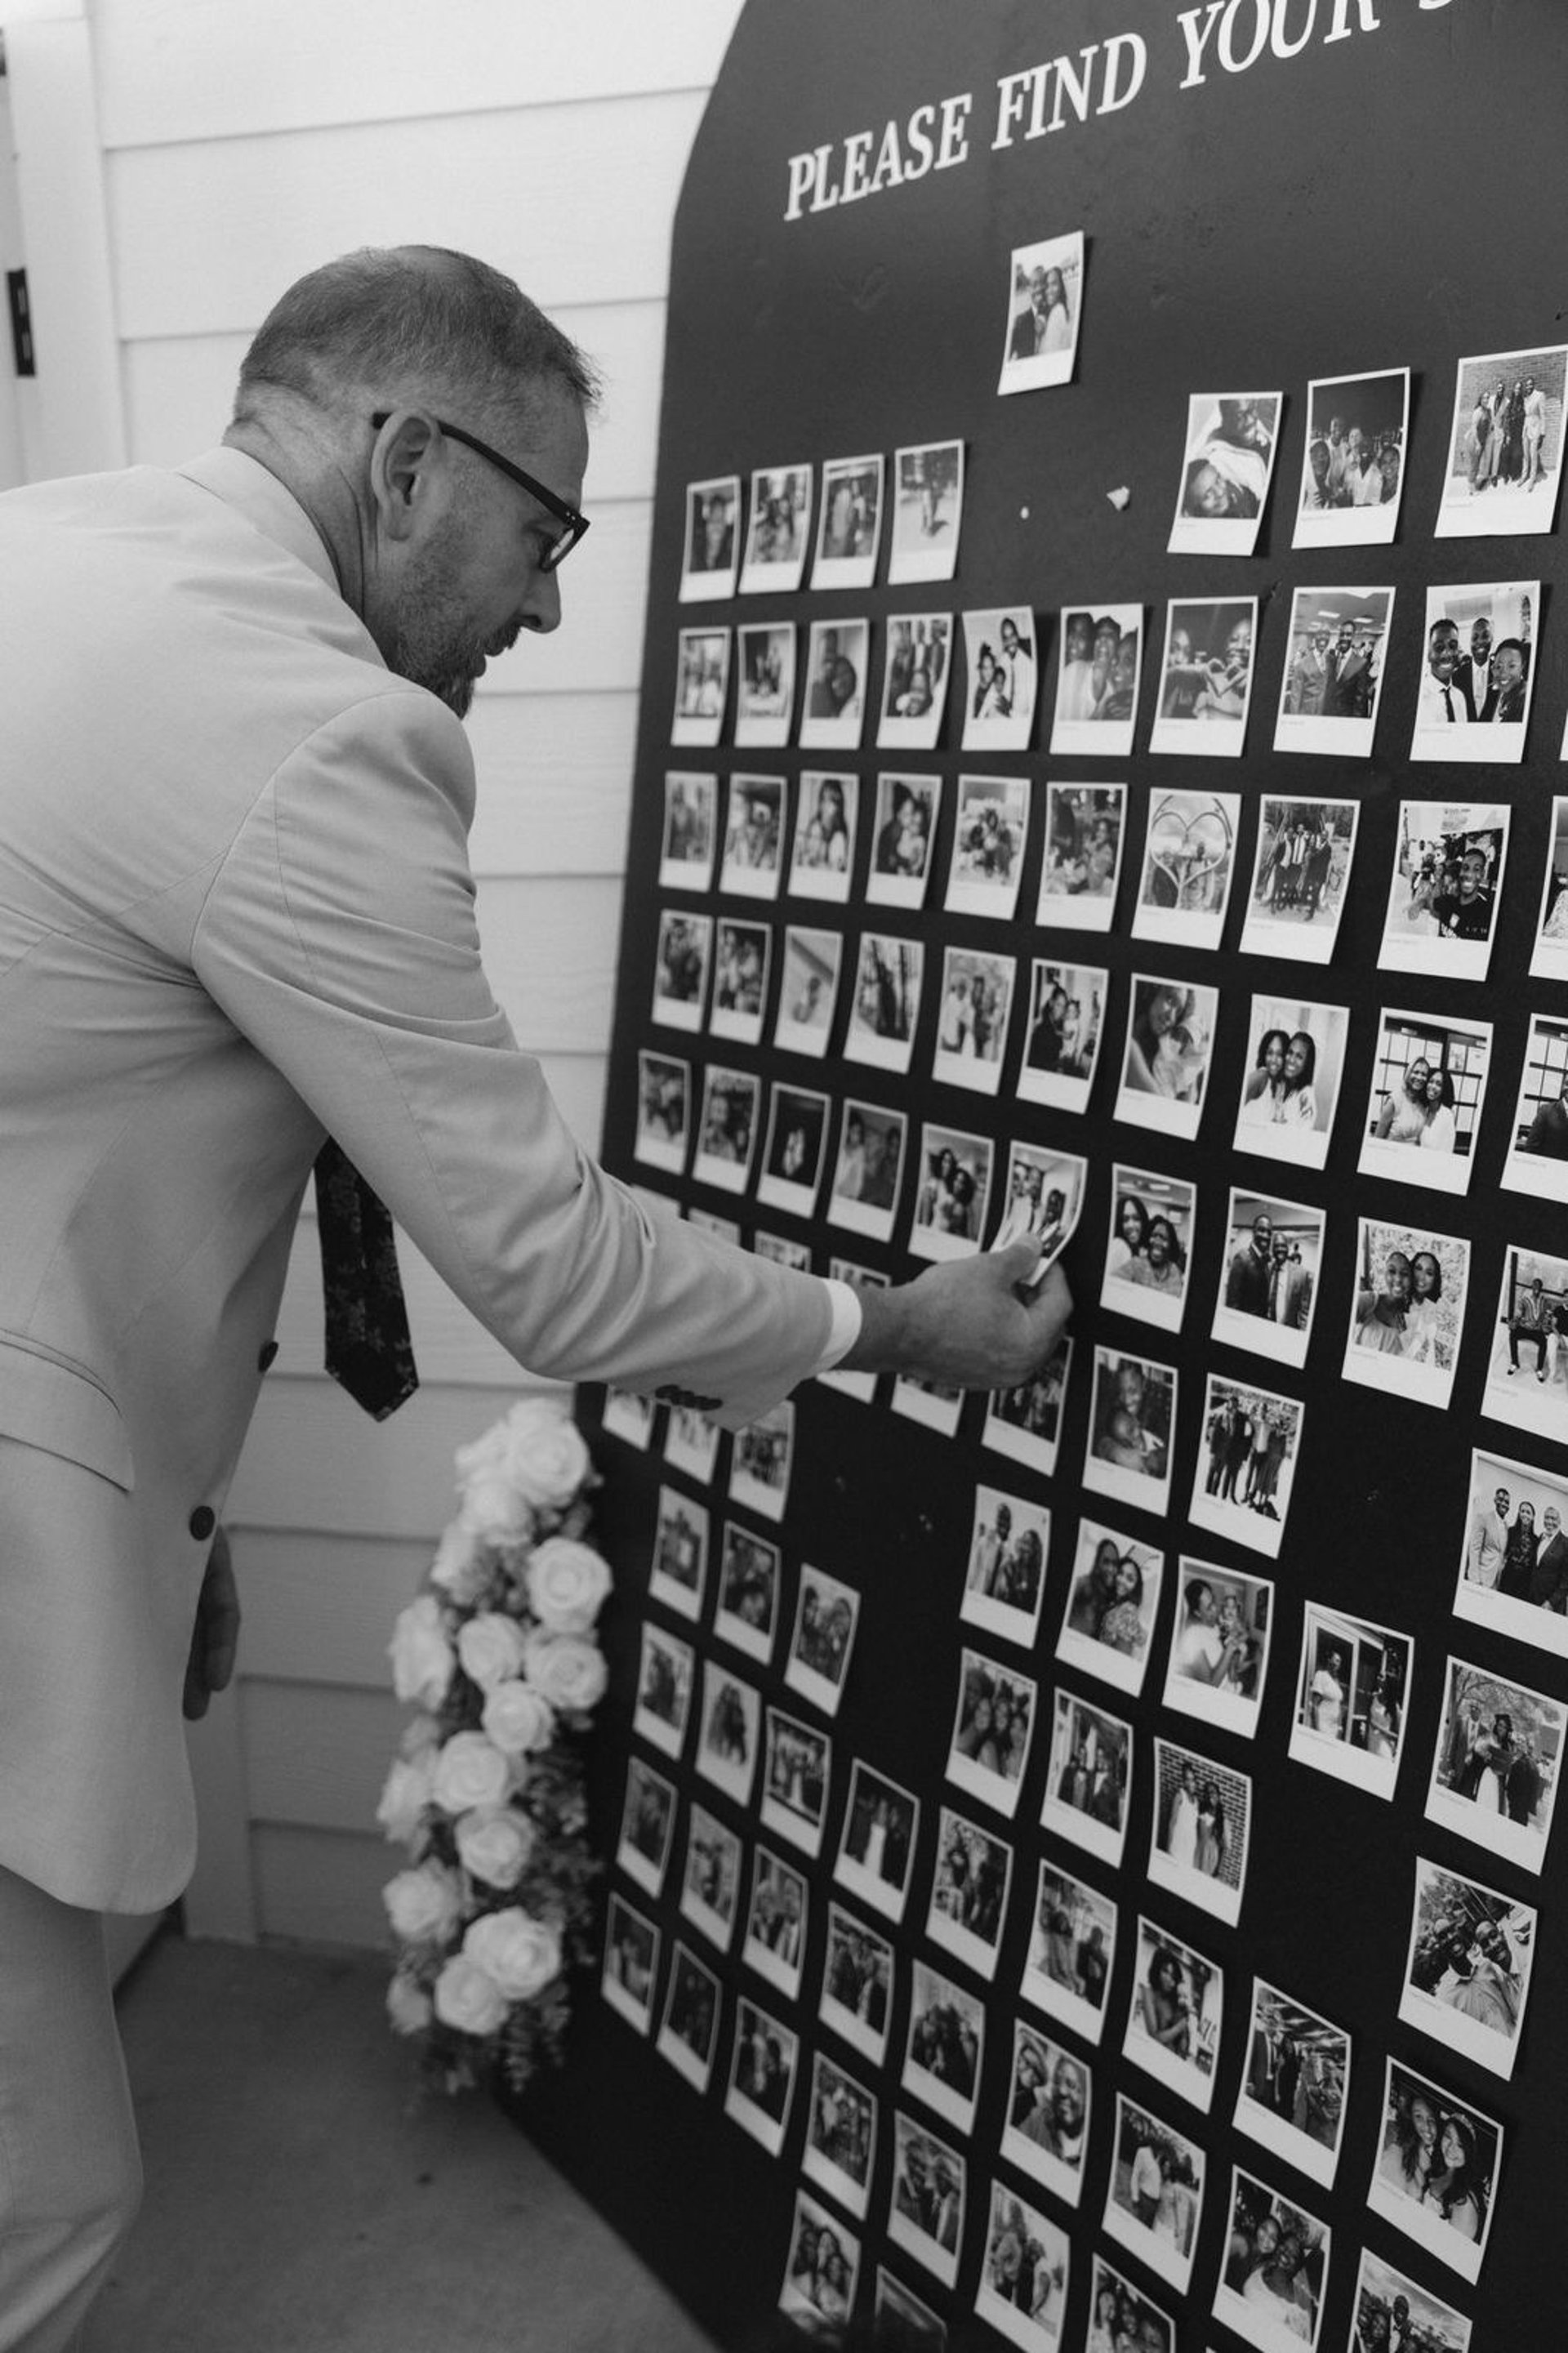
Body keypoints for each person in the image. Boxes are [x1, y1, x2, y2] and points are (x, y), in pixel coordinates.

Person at [0, 245, 1077, 2346]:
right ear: (406, 463)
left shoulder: (48, 556)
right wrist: (895, 1326)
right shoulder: (312, 728)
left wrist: (156, 1528)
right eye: (546, 526)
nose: (556, 599)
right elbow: (549, 1262)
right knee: (40, 2203)